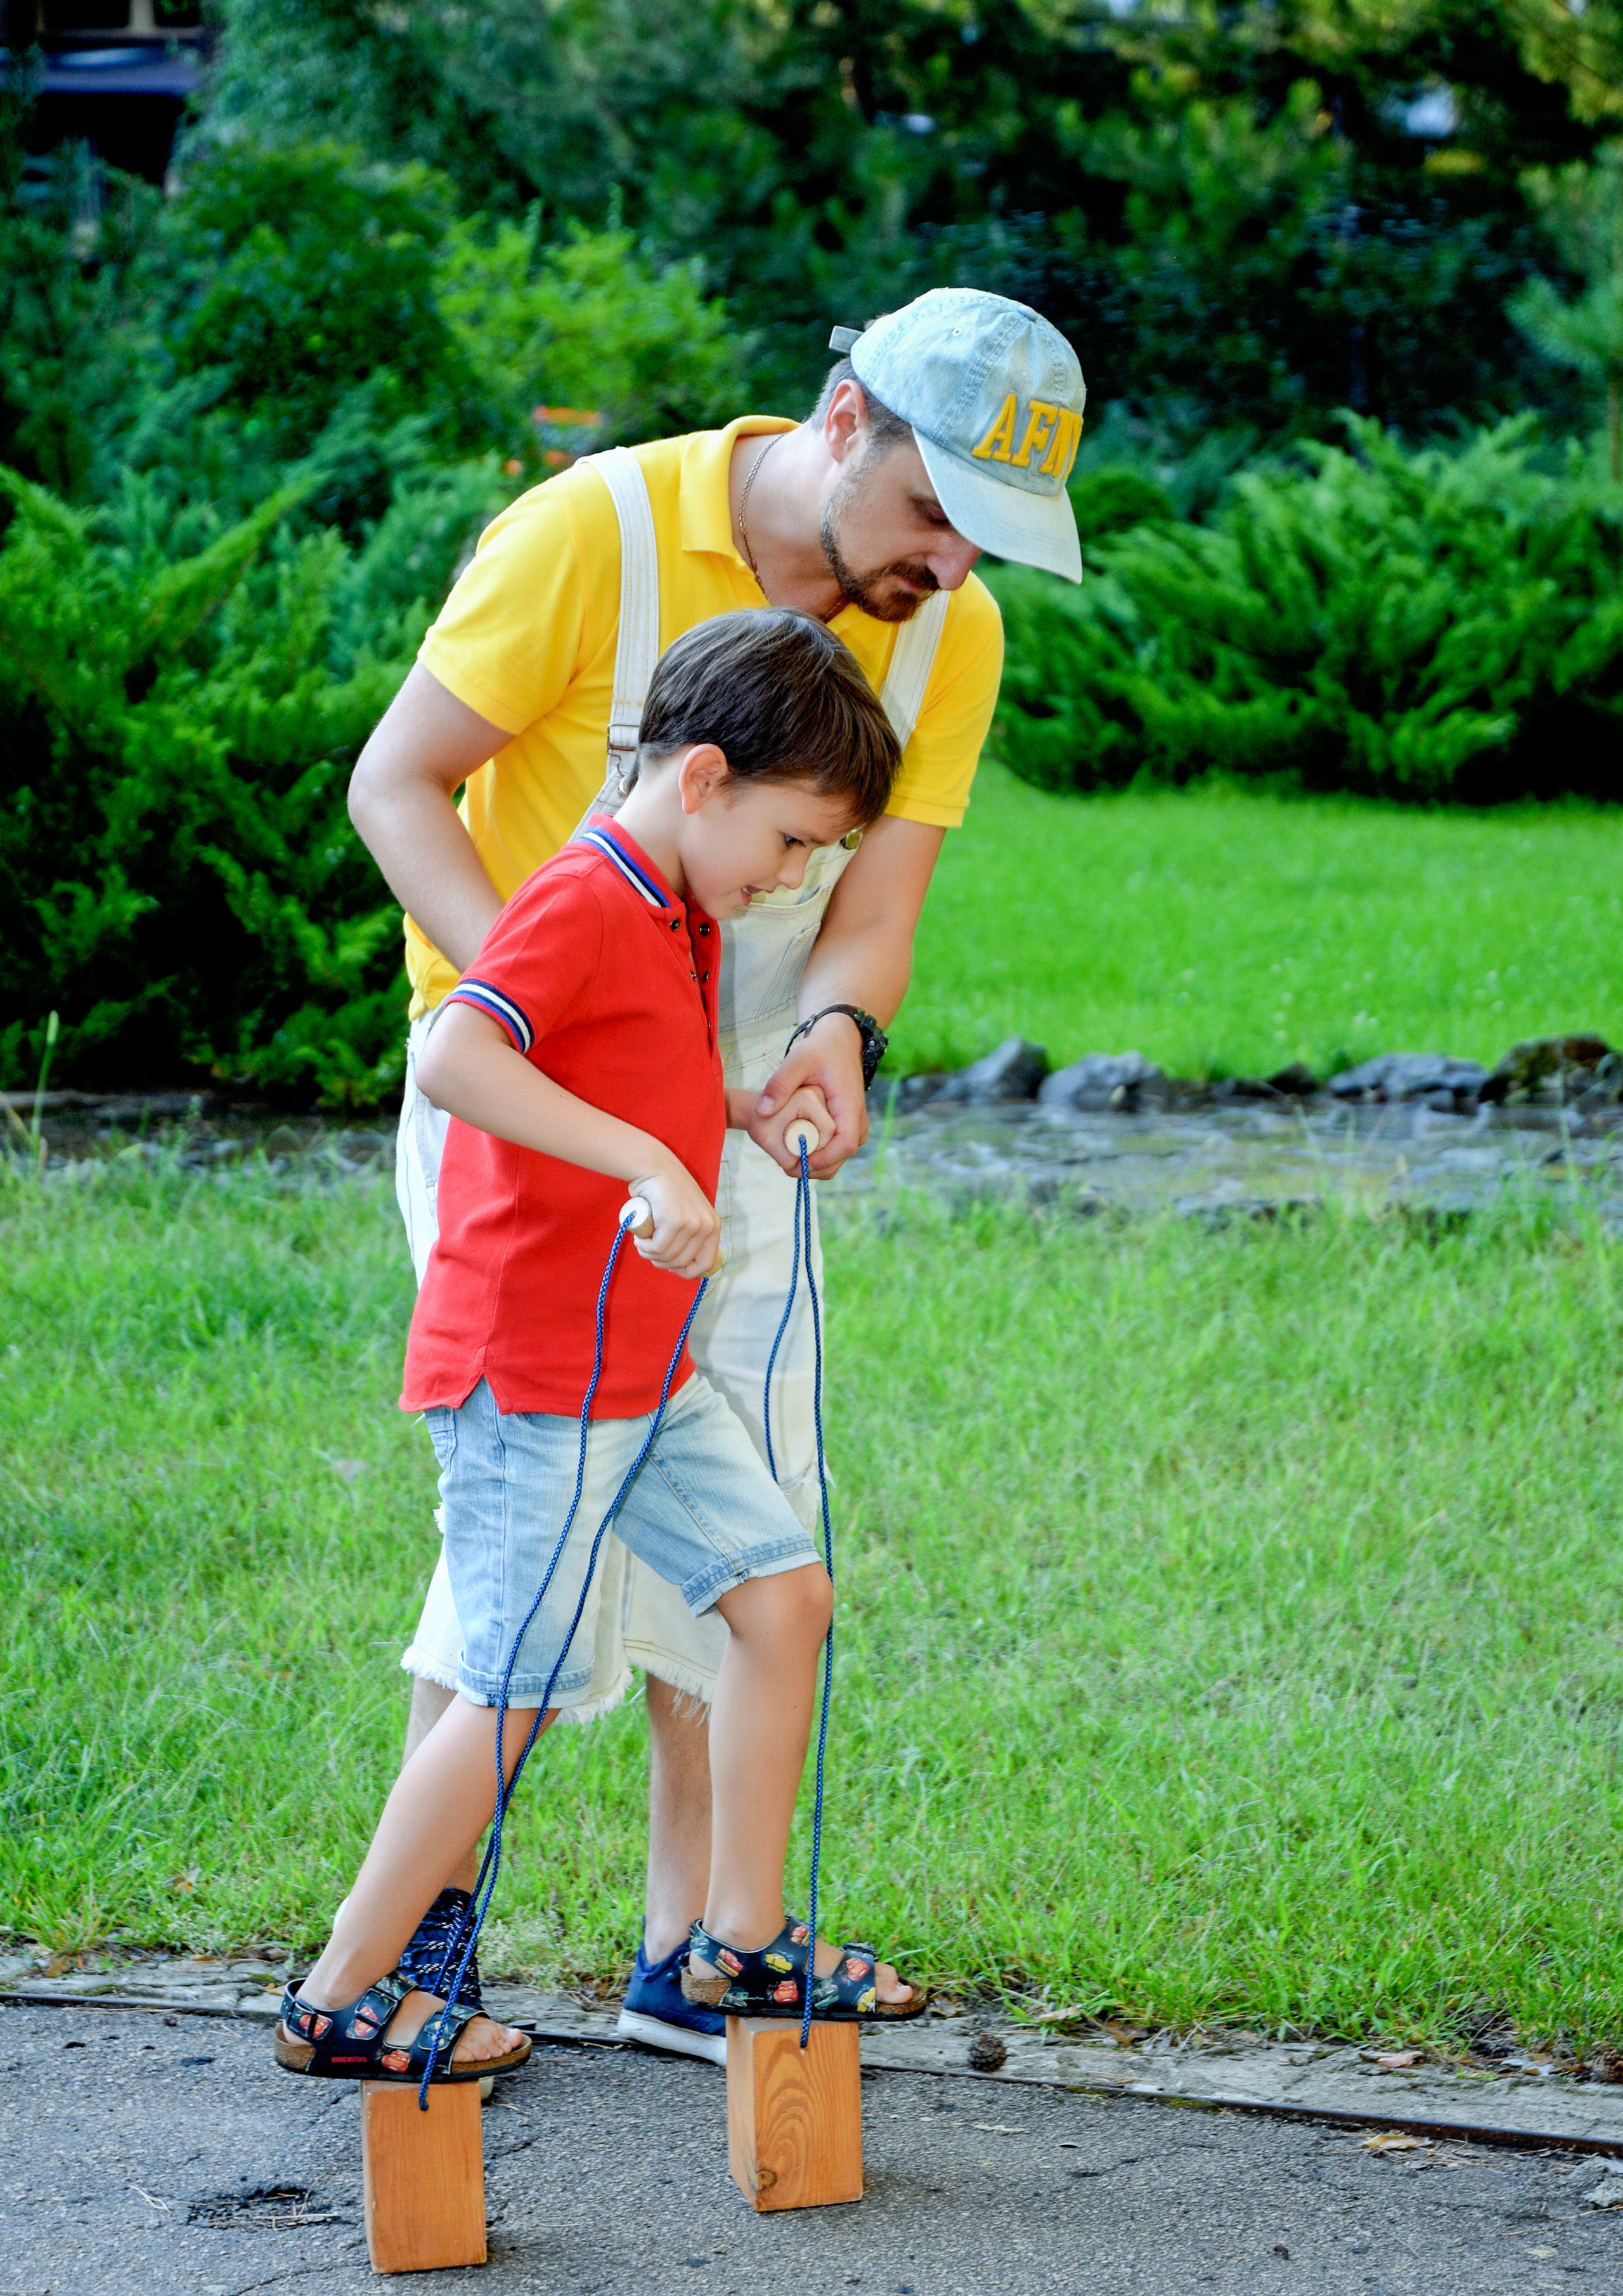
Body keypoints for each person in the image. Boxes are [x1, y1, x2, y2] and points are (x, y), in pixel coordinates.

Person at [347, 285, 1087, 2062]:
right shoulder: (590, 528)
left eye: (991, 542)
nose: (954, 569)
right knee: (528, 1537)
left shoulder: (943, 626)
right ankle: (412, 1952)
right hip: (539, 1132)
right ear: (845, 421)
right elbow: (396, 786)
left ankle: (695, 1941)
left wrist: (834, 1034)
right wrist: (573, 1050)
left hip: (740, 1124)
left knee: (742, 1515)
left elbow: (879, 906)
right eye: (934, 514)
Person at [278, 610, 924, 2082]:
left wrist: (736, 1108)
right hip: (533, 1371)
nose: (796, 877)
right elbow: (461, 1050)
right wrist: (644, 1157)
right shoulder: (581, 891)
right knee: (513, 1687)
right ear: (702, 776)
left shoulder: (679, 910)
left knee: (781, 1593)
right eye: (790, 839)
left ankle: (736, 1933)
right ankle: (338, 1992)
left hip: (641, 1371)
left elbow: (637, 1052)